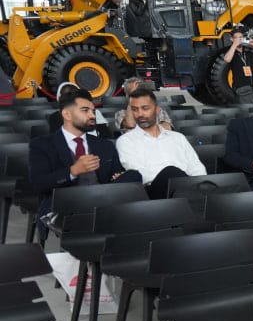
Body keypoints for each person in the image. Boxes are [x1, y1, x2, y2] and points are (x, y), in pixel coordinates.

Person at [28, 88, 142, 228]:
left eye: (93, 111)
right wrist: (73, 171)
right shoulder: (42, 145)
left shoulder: (104, 145)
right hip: (67, 204)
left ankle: (103, 214)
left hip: (103, 200)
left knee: (134, 176)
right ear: (67, 114)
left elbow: (116, 174)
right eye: (85, 110)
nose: (92, 115)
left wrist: (117, 176)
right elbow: (38, 184)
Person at [115, 87, 207, 199]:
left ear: (157, 109)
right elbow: (140, 174)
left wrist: (194, 183)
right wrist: (180, 180)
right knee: (170, 171)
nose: (140, 114)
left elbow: (196, 167)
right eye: (135, 109)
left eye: (145, 108)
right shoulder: (126, 141)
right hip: (154, 192)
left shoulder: (178, 137)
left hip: (188, 188)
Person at [222, 28, 253, 105]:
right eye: (236, 38)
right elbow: (227, 59)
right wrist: (234, 45)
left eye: (241, 37)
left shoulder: (248, 53)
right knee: (248, 108)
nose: (239, 39)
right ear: (232, 39)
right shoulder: (231, 52)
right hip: (241, 88)